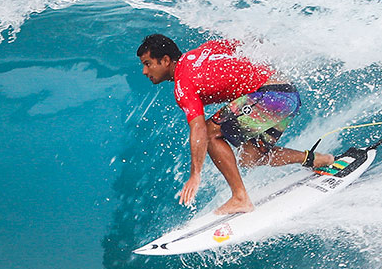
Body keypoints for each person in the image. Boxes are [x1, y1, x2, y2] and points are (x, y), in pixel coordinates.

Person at [136, 34, 334, 214]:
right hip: (287, 95)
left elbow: (198, 129)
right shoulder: (202, 52)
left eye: (147, 63)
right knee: (251, 158)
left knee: (211, 133)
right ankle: (315, 159)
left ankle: (240, 197)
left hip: (270, 95)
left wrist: (195, 174)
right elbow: (245, 43)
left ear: (165, 60)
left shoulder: (183, 85)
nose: (145, 71)